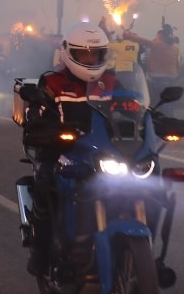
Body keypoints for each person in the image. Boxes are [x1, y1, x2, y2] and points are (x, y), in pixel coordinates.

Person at [24, 23, 121, 276]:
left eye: (95, 54)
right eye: (84, 54)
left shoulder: (111, 81)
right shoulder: (52, 82)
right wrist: (41, 126)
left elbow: (134, 106)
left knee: (146, 181)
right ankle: (40, 251)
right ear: (68, 53)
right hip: (61, 151)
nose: (90, 59)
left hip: (102, 152)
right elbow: (36, 113)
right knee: (45, 184)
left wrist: (153, 121)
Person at [123, 23, 181, 108]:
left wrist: (129, 35)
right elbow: (177, 64)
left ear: (161, 37)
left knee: (156, 102)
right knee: (168, 102)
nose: (155, 38)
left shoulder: (157, 45)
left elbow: (142, 41)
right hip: (171, 78)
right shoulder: (175, 48)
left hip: (158, 78)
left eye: (157, 36)